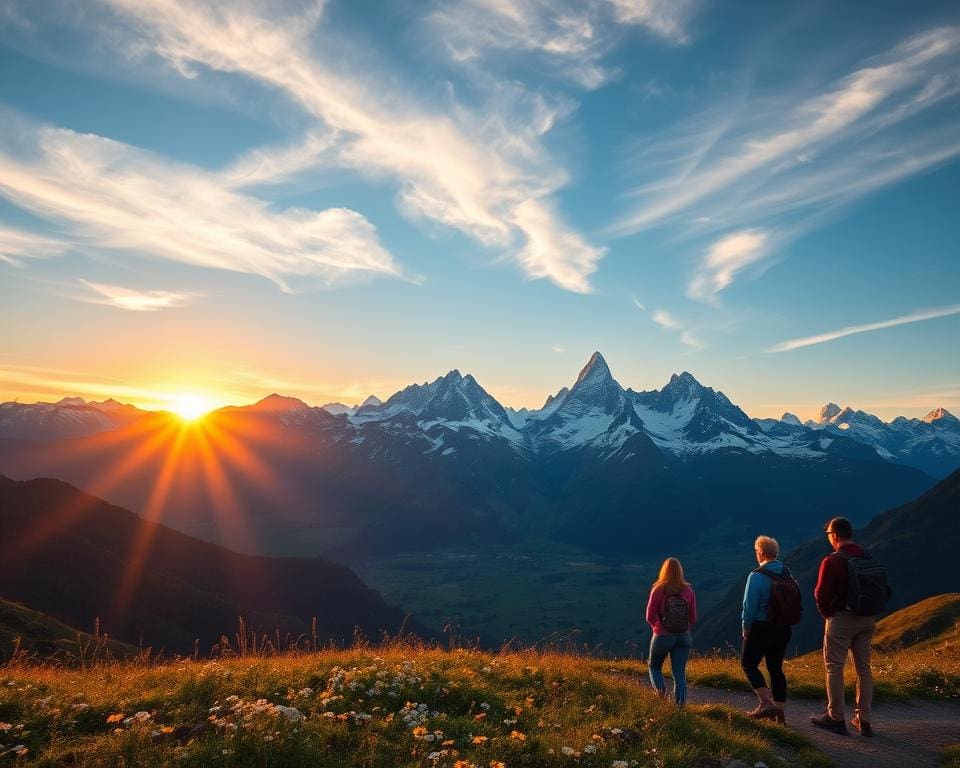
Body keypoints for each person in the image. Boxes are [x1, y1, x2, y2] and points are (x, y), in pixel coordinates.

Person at [810, 516, 876, 737]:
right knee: (864, 668)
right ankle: (863, 718)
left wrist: (829, 615)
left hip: (842, 619)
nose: (829, 538)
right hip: (867, 618)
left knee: (834, 667)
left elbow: (820, 593)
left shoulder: (833, 560)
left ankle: (835, 717)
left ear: (835, 535)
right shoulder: (866, 555)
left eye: (828, 534)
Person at [740, 535, 793, 724]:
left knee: (748, 663)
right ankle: (780, 713)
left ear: (760, 553)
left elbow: (749, 606)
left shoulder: (756, 576)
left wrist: (746, 627)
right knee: (775, 668)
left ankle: (765, 702)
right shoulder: (786, 573)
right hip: (783, 628)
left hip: (761, 627)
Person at [646, 557, 697, 705]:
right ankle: (680, 706)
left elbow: (649, 615)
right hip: (684, 636)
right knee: (679, 673)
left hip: (662, 635)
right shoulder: (688, 590)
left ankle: (660, 698)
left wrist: (658, 628)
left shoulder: (658, 589)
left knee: (654, 666)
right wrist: (684, 629)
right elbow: (693, 618)